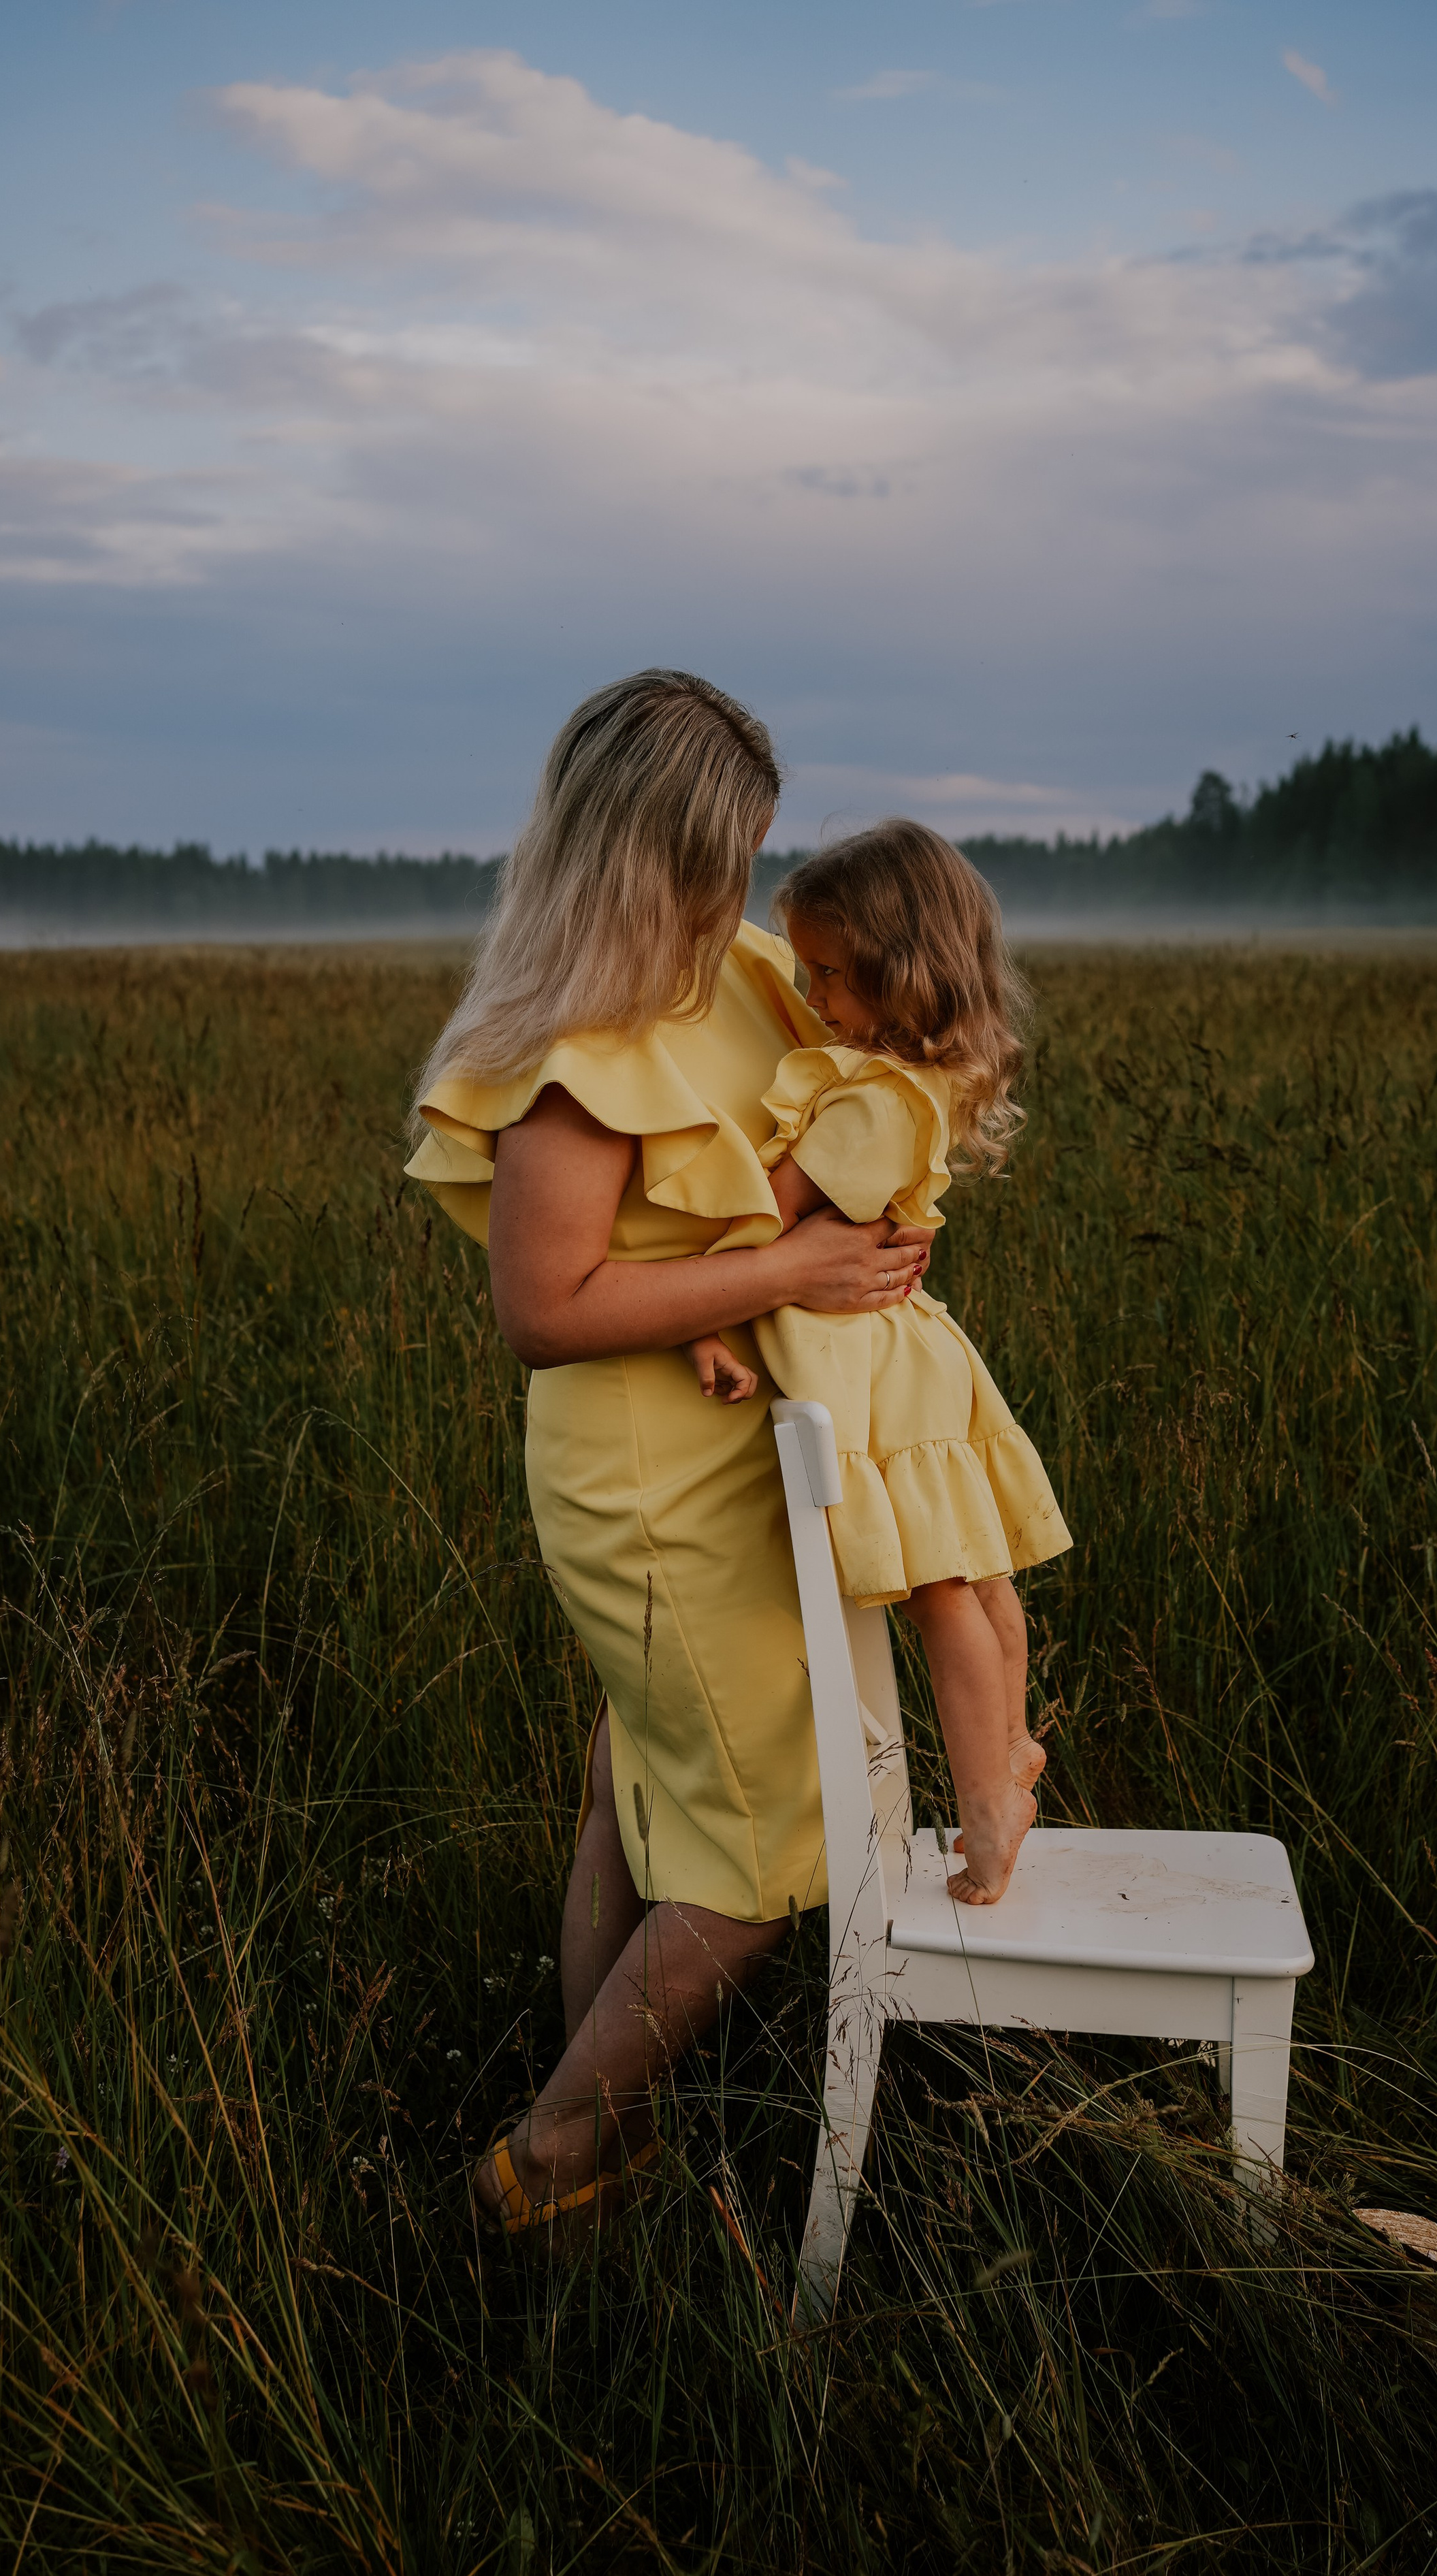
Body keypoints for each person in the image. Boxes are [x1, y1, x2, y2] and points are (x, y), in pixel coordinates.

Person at [405, 673, 932, 2242]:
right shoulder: (573, 1044)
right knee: (773, 1840)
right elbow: (542, 1308)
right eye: (719, 858)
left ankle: (606, 2158)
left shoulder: (747, 972)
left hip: (736, 1452)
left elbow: (879, 1068)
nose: (742, 892)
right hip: (640, 1479)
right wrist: (786, 1277)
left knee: (640, 1785)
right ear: (645, 857)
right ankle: (546, 2165)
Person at [681, 820, 1071, 1905]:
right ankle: (1011, 1752)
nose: (812, 995)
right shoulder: (917, 1081)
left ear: (902, 969)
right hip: (916, 1352)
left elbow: (775, 1216)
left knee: (942, 1593)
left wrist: (701, 1318)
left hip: (867, 1368)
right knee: (984, 1579)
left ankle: (987, 1809)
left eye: (832, 974)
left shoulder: (865, 1101)